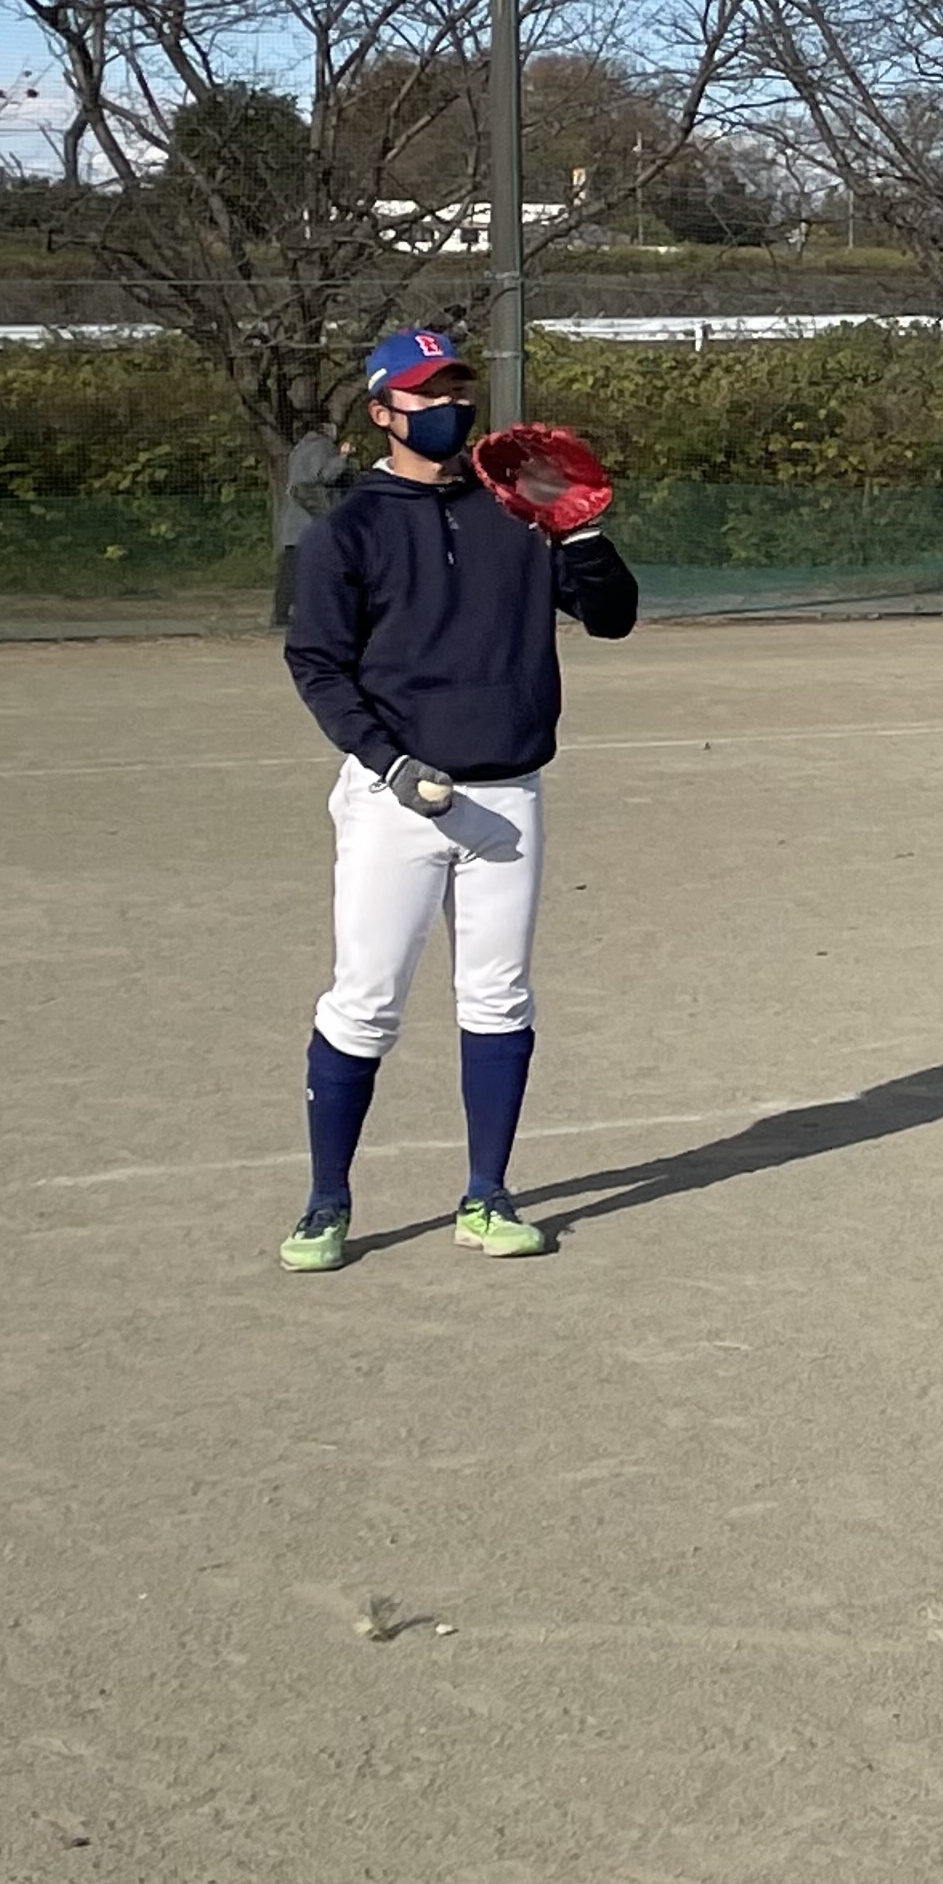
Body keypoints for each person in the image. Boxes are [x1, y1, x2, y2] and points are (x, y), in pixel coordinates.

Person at [274, 327, 639, 1272]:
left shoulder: (518, 512)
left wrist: (582, 527)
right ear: (384, 409)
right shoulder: (346, 531)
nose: (452, 405)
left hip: (506, 794)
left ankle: (487, 1193)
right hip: (398, 796)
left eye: (460, 388)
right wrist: (387, 762)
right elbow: (317, 664)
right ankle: (326, 1201)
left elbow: (612, 617)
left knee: (499, 998)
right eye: (429, 392)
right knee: (364, 1003)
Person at [269, 424, 350, 628]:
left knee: (290, 568)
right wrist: (342, 458)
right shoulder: (322, 447)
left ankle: (281, 613)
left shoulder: (298, 449)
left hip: (294, 520)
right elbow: (324, 476)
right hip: (312, 519)